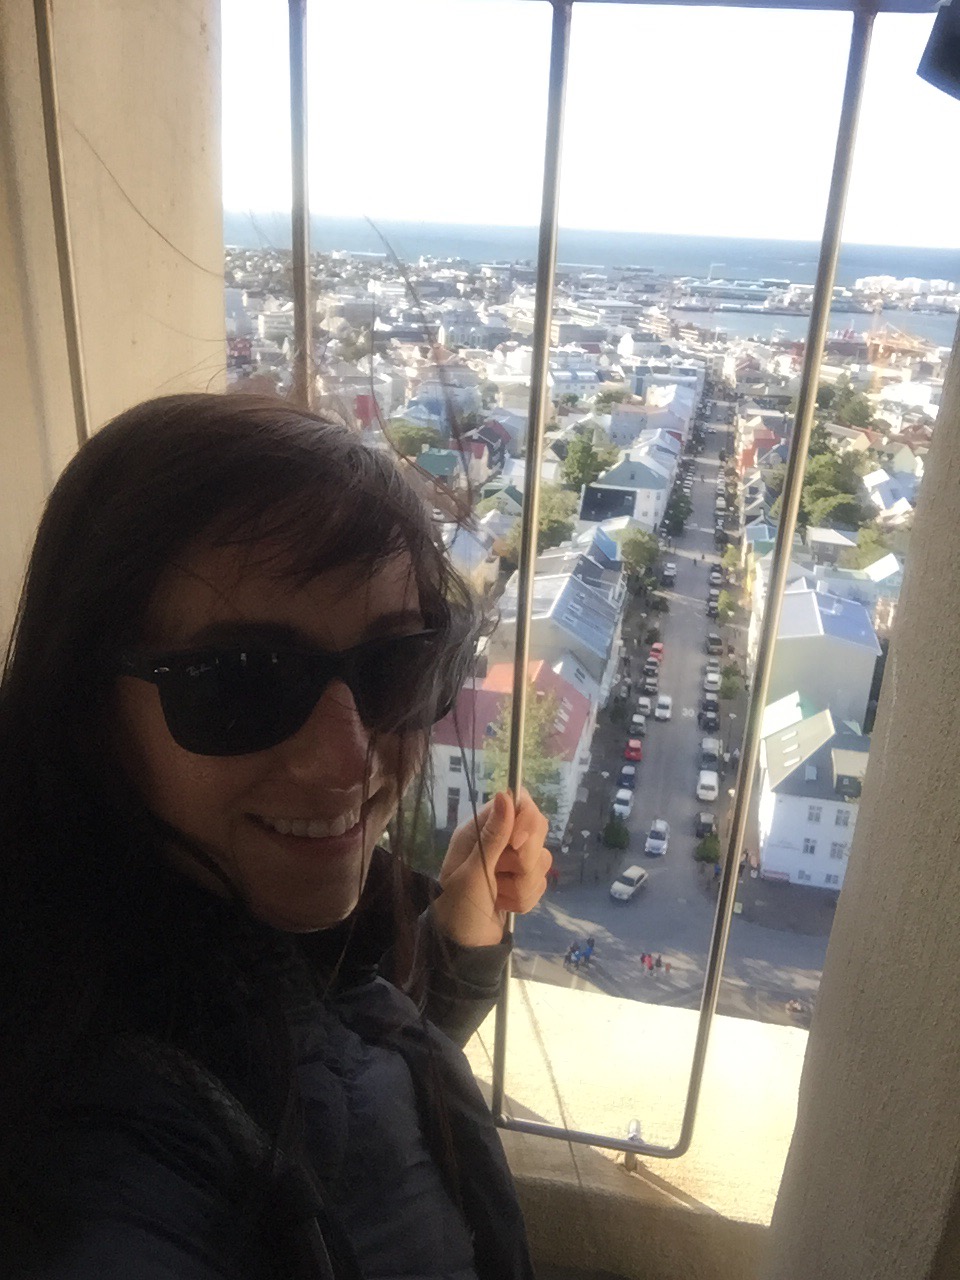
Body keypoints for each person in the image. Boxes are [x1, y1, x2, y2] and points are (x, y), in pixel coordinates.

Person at [0, 394, 552, 1279]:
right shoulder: (92, 1146)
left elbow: (329, 1074)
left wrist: (456, 940)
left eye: (396, 664)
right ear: (86, 705)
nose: (348, 759)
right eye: (241, 681)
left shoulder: (210, 939)